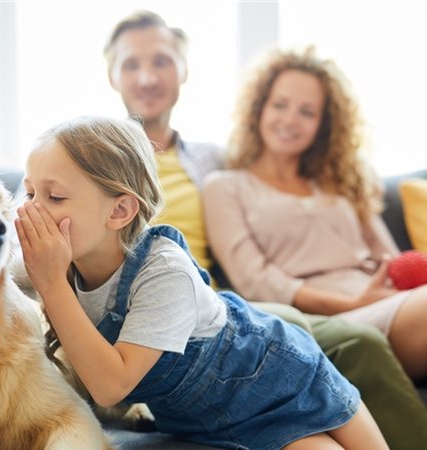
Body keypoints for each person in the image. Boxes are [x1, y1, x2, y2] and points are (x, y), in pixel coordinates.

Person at [103, 10, 427, 448]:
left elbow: (391, 260)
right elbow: (259, 279)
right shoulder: (99, 162)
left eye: (161, 62)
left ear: (183, 72)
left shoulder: (212, 161)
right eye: (131, 65)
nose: (146, 78)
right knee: (348, 338)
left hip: (230, 311)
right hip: (204, 313)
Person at [15, 115, 387, 449]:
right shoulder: (49, 264)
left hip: (280, 380)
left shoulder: (163, 271)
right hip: (202, 420)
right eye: (29, 193)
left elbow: (111, 386)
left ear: (119, 210)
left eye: (55, 196)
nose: (31, 209)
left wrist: (52, 284)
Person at [202, 47, 427, 383]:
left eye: (307, 112)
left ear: (323, 124)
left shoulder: (340, 183)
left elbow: (389, 259)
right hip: (327, 320)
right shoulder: (225, 187)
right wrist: (350, 302)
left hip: (389, 302)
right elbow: (256, 281)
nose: (290, 119)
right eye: (280, 105)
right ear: (259, 108)